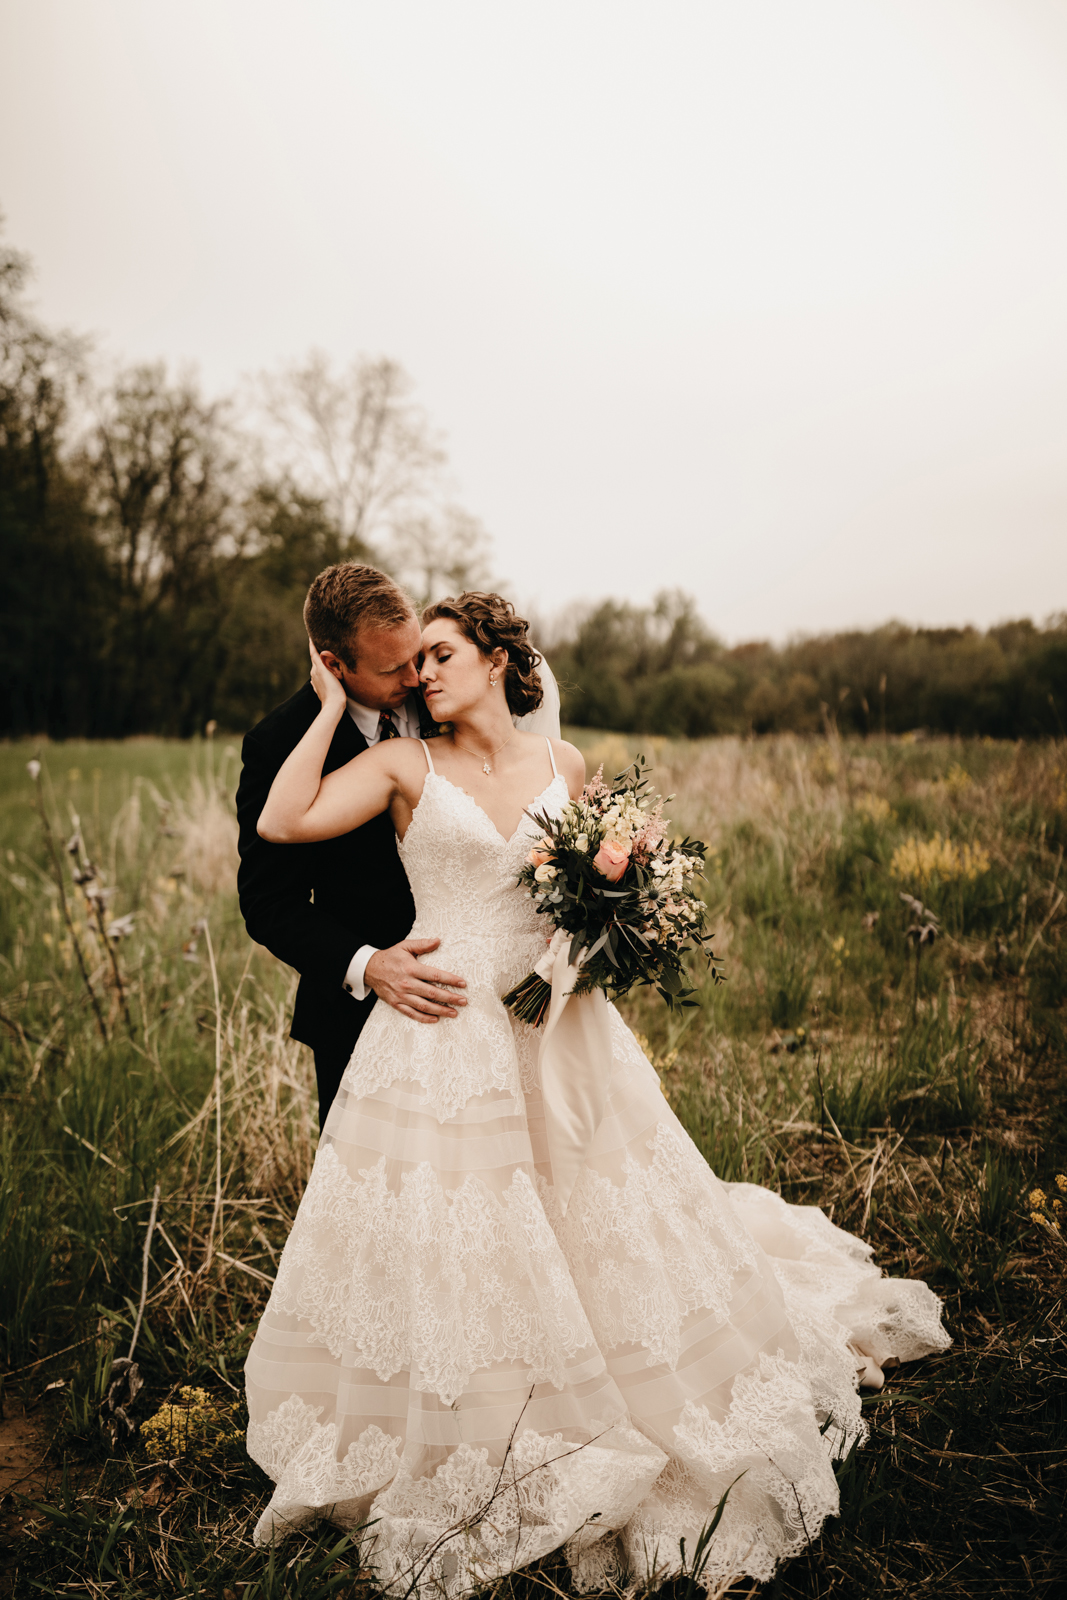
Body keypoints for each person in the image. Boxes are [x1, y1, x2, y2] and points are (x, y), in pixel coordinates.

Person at [244, 591, 950, 1597]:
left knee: (589, 1201)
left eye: (442, 656)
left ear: (496, 660)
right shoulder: (405, 762)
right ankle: (484, 1401)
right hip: (442, 1020)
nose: (422, 677)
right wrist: (323, 709)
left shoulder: (565, 768)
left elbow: (582, 888)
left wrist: (598, 929)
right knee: (468, 1220)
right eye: (415, 662)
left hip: (556, 1025)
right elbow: (283, 820)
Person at [235, 564, 471, 1130]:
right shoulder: (278, 745)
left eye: (418, 655)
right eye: (394, 668)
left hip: (475, 988)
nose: (417, 677)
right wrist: (368, 966)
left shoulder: (449, 703)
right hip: (361, 1009)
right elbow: (269, 904)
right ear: (334, 666)